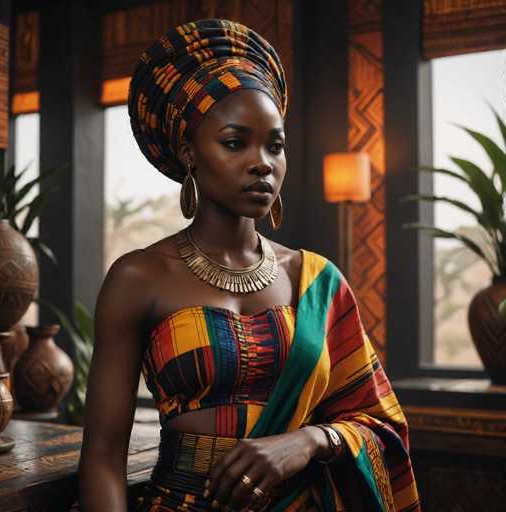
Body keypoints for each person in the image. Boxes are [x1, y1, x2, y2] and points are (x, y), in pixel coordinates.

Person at [78, 18, 420, 512]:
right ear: (188, 152)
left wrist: (307, 441)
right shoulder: (139, 278)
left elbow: (380, 424)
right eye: (236, 142)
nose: (263, 163)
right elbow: (104, 458)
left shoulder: (316, 281)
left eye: (274, 145)